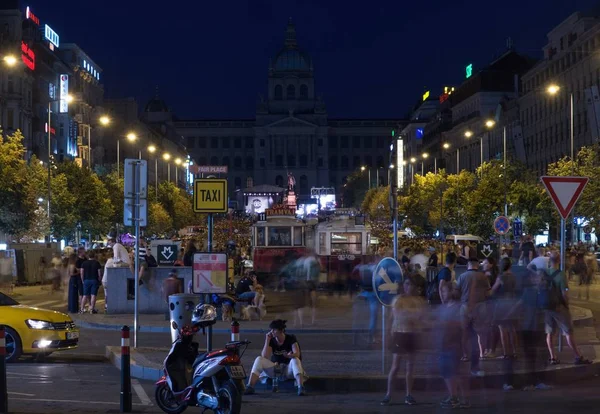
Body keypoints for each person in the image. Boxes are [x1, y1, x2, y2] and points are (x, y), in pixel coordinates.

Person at [381, 274, 426, 406]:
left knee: (410, 367)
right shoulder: (398, 300)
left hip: (412, 334)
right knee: (395, 366)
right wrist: (388, 335)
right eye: (407, 284)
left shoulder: (418, 301)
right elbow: (394, 317)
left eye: (411, 285)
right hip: (399, 333)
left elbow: (421, 317)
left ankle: (409, 394)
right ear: (403, 286)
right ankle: (388, 394)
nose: (409, 287)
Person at [543, 253, 591, 365]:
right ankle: (578, 357)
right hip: (559, 306)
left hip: (547, 306)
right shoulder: (561, 275)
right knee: (568, 332)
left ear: (550, 260)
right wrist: (567, 305)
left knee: (550, 333)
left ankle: (553, 357)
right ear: (559, 260)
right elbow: (564, 293)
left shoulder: (544, 273)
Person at [245, 319, 307, 396]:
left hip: (288, 370)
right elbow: (265, 356)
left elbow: (297, 354)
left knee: (295, 360)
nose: (271, 332)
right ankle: (250, 387)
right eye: (271, 330)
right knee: (259, 359)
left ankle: (301, 387)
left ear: (281, 330)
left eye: (274, 330)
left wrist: (289, 356)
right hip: (276, 369)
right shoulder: (272, 340)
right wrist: (267, 340)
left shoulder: (291, 338)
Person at [437, 284, 470, 409]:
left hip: (454, 345)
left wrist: (464, 348)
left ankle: (460, 398)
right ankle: (454, 396)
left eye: (444, 291)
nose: (443, 294)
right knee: (448, 372)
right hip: (444, 345)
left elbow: (463, 327)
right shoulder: (444, 307)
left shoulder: (460, 308)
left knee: (455, 372)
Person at [455, 257, 489, 376]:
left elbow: (457, 291)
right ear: (477, 265)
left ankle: (465, 355)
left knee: (464, 332)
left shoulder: (462, 276)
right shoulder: (483, 276)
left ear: (468, 265)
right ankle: (481, 353)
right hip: (480, 306)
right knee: (480, 332)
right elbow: (487, 292)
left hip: (465, 306)